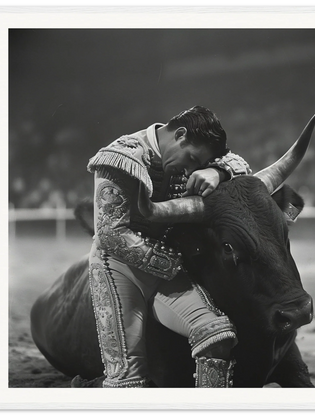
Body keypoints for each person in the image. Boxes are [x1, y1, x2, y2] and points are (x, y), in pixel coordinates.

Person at [84, 106, 251, 388]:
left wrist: (217, 171)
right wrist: (175, 263)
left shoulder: (194, 158)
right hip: (117, 269)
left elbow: (242, 166)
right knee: (127, 378)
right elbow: (111, 234)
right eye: (192, 159)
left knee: (217, 336)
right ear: (181, 135)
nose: (190, 170)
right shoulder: (122, 155)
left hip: (165, 269)